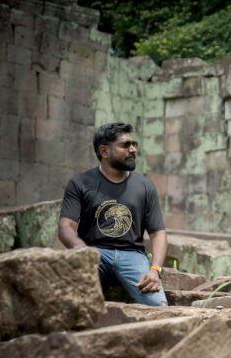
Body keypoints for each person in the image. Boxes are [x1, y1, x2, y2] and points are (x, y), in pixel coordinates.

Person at [58, 122, 168, 306]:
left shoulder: (145, 186)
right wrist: (80, 249)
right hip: (94, 252)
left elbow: (158, 232)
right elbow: (65, 226)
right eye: (125, 145)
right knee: (70, 302)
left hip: (133, 256)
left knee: (158, 305)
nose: (133, 149)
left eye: (134, 144)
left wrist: (155, 269)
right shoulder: (80, 183)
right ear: (104, 151)